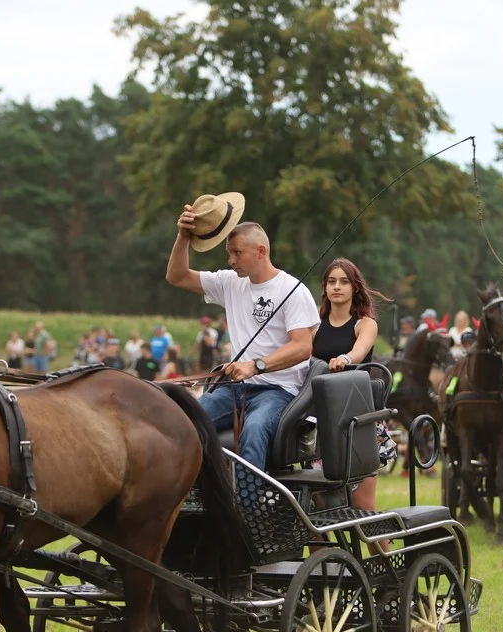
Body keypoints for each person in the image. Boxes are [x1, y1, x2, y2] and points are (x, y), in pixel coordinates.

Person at [166, 193, 319, 471]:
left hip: (279, 391)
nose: (231, 259)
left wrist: (255, 366)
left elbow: (302, 347)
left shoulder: (293, 291)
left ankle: (248, 509)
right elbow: (177, 276)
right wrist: (184, 236)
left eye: (237, 252)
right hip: (236, 389)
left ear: (261, 251)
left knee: (255, 429)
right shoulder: (229, 282)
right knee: (186, 422)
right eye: (229, 253)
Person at [311, 258, 396, 550]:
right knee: (310, 511)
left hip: (356, 423)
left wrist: (345, 359)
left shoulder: (365, 324)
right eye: (331, 281)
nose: (336, 287)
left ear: (354, 287)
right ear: (325, 288)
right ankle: (323, 579)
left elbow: (359, 352)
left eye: (343, 281)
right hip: (319, 423)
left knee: (363, 511)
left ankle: (389, 575)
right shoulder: (314, 327)